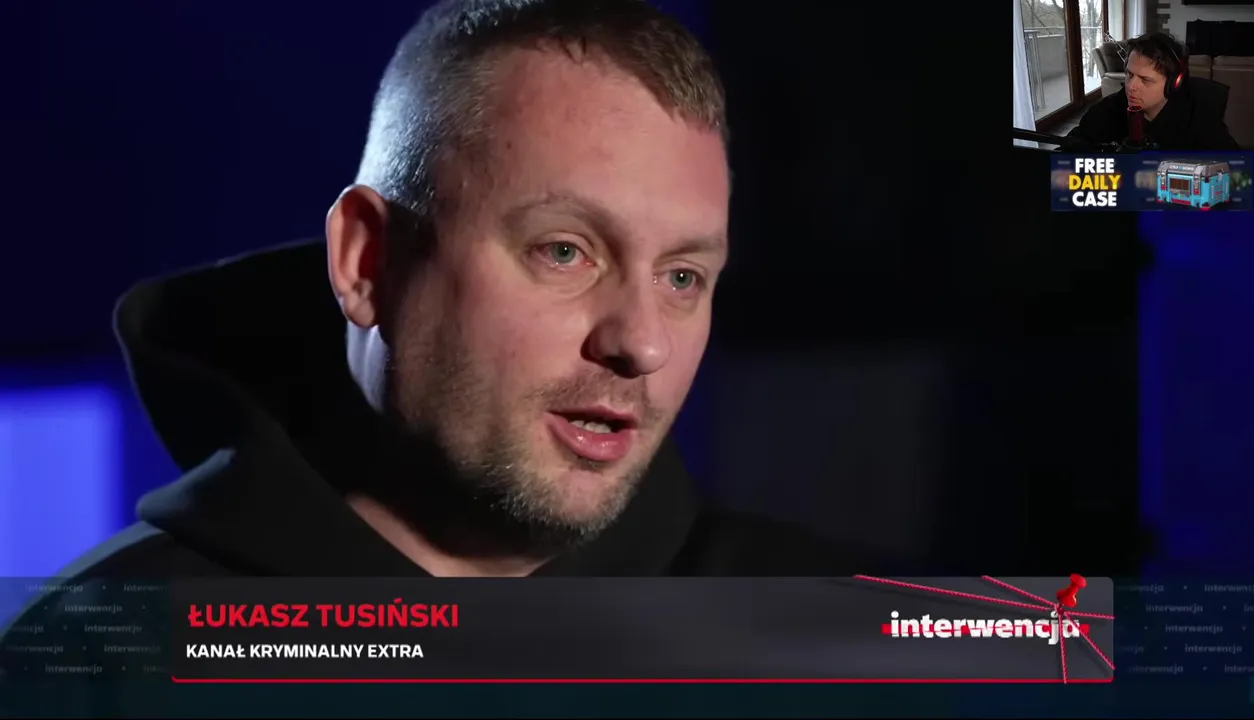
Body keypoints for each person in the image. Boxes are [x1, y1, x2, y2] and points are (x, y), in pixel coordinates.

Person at [23, 0, 858, 582]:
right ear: (367, 262)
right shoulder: (107, 660)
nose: (643, 342)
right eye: (565, 252)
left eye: (682, 277)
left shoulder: (812, 636)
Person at [1067, 32, 1238, 151]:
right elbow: (1070, 146)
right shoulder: (1110, 108)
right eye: (1129, 74)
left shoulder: (1200, 119)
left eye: (1145, 80)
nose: (1131, 86)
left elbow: (1236, 172)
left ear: (1174, 83)